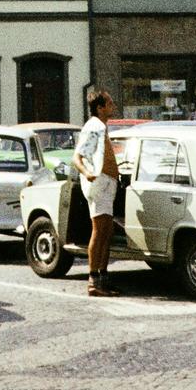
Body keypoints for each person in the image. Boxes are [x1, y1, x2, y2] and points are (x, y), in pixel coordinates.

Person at [72, 89, 120, 297]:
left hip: (107, 184)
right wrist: (88, 174)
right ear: (100, 107)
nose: (113, 106)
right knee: (99, 231)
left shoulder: (101, 127)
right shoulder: (94, 126)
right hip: (99, 185)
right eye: (109, 103)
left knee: (106, 232)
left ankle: (102, 277)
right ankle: (93, 280)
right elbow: (78, 157)